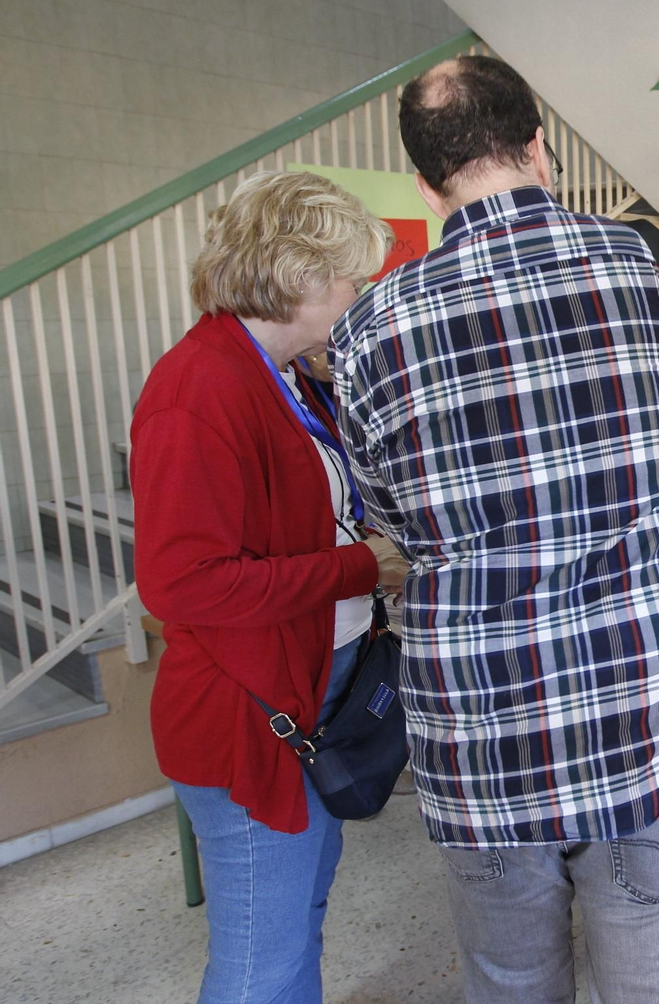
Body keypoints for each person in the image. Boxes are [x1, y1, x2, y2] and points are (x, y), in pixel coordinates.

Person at [329, 55, 659, 1004]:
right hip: (642, 713)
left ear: (426, 185)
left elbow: (389, 520)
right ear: (540, 147)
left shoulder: (366, 330)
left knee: (509, 981)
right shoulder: (656, 264)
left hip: (480, 734)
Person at [131, 170, 408, 1003]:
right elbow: (182, 583)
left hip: (303, 688)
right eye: (353, 279)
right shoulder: (199, 386)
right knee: (262, 958)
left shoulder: (278, 372)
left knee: (295, 924)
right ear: (298, 274)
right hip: (247, 714)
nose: (360, 297)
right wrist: (364, 565)